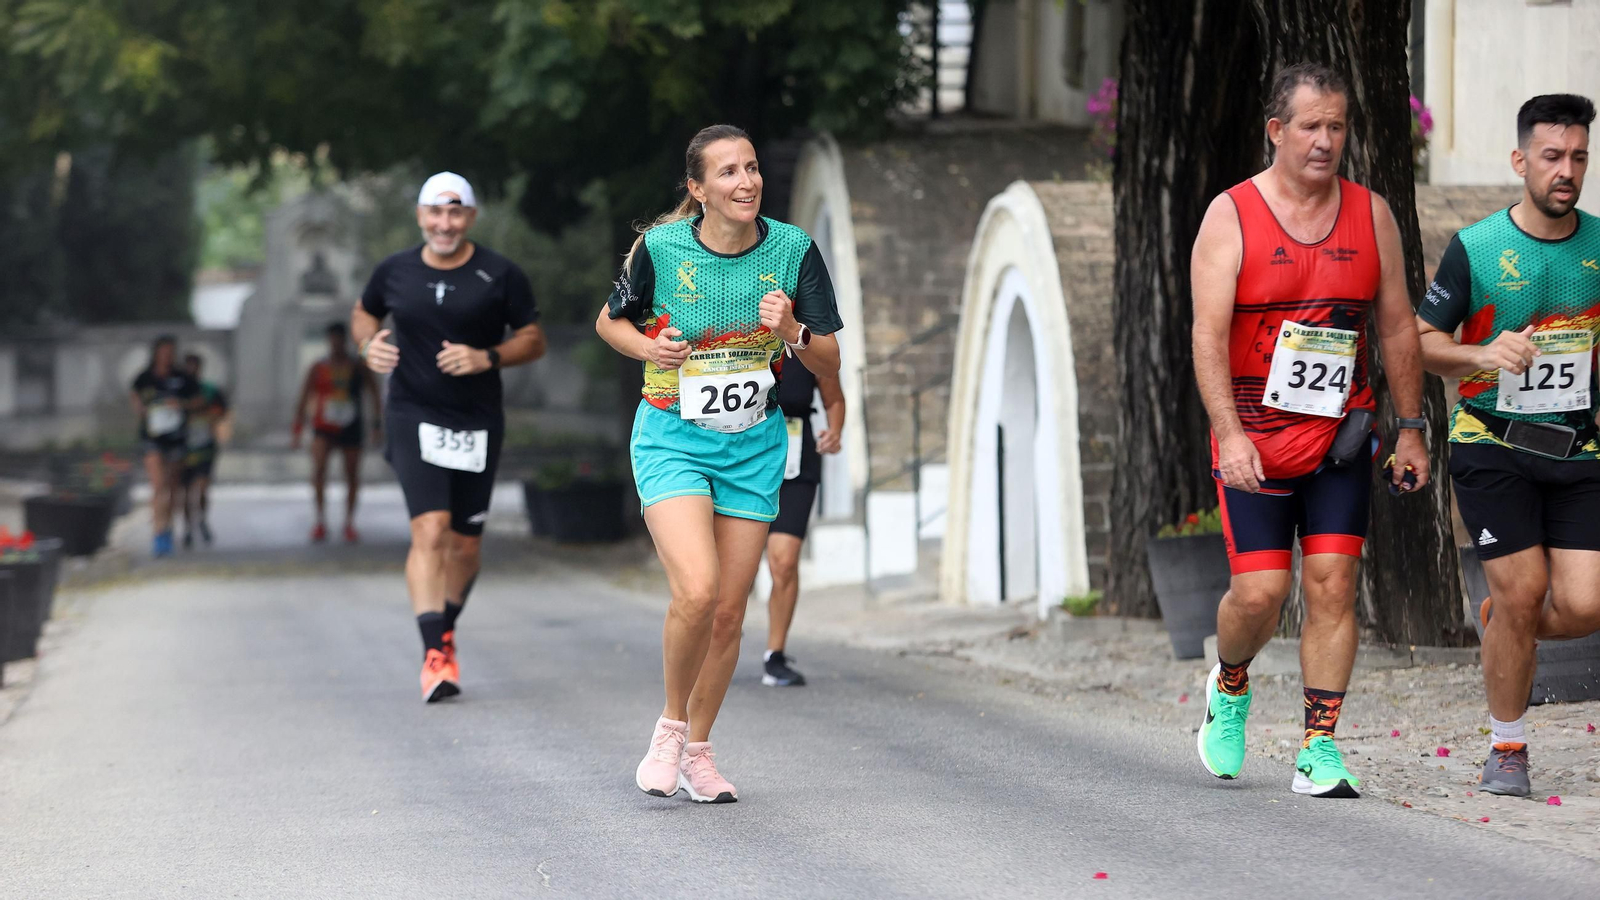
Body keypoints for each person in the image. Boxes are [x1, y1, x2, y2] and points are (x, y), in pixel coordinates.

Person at [1189, 63, 1430, 798]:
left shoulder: (1372, 215)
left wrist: (1412, 428)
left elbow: (1395, 328)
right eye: (1310, 126)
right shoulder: (1231, 215)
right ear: (1276, 131)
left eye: (1337, 126)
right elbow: (1206, 334)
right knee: (1260, 593)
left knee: (1332, 585)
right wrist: (1228, 433)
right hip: (1254, 441)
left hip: (1339, 440)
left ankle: (1318, 747)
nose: (1326, 141)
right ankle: (1230, 685)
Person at [598, 124, 843, 803]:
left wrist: (791, 329)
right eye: (729, 172)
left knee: (731, 613)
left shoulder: (793, 250)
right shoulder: (663, 248)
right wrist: (652, 352)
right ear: (698, 189)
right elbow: (609, 323)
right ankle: (670, 728)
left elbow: (830, 360)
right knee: (698, 591)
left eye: (753, 168)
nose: (747, 181)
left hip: (753, 444)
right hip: (673, 435)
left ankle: (698, 751)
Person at [1416, 94, 1600, 798]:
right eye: (1552, 157)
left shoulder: (1599, 244)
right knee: (1523, 588)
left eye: (1578, 157)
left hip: (1579, 450)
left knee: (1584, 607)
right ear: (1520, 160)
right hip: (1492, 443)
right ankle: (1508, 747)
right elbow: (1424, 343)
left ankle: (1503, 626)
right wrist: (1484, 354)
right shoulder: (1479, 247)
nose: (1567, 171)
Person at [353, 171, 546, 703]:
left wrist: (488, 356)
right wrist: (368, 346)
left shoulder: (500, 274)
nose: (445, 223)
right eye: (435, 213)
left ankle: (444, 631)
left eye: (455, 212)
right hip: (412, 412)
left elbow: (533, 339)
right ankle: (435, 654)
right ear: (420, 216)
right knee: (431, 528)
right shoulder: (393, 270)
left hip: (476, 419)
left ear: (470, 218)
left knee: (465, 544)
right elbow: (363, 313)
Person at [759, 349, 846, 687]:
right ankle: (712, 648)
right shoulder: (735, 325)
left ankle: (775, 655)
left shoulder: (807, 341)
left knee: (783, 561)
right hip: (736, 456)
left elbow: (834, 400)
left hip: (794, 460)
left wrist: (834, 431)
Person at [292, 322, 382, 543]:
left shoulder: (357, 366)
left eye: (340, 339)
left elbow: (374, 393)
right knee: (319, 469)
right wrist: (298, 427)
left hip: (351, 425)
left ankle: (349, 522)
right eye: (332, 339)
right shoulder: (319, 367)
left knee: (351, 474)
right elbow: (304, 396)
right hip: (324, 426)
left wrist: (376, 425)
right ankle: (320, 521)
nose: (336, 343)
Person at [130, 335, 200, 558]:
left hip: (176, 438)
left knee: (171, 487)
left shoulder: (182, 377)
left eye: (171, 352)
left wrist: (181, 404)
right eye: (163, 352)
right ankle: (158, 531)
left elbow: (198, 399)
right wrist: (140, 407)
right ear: (157, 353)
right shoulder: (146, 377)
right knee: (158, 485)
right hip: (153, 437)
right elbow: (134, 392)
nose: (167, 356)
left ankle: (167, 526)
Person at [180, 353, 230, 548]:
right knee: (185, 491)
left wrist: (210, 418)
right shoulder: (179, 391)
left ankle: (201, 519)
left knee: (202, 487)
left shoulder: (210, 390)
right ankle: (187, 527)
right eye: (189, 366)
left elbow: (222, 411)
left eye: (195, 366)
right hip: (184, 445)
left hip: (205, 444)